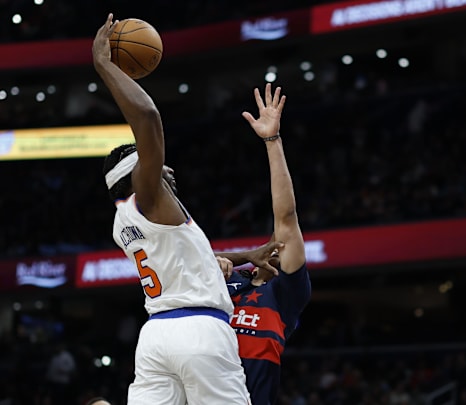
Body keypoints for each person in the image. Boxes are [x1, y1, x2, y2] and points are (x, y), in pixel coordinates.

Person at [93, 14, 277, 405]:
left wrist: (246, 256)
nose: (168, 169)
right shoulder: (150, 196)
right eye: (159, 166)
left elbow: (190, 260)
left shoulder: (124, 219)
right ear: (139, 173)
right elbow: (148, 118)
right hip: (201, 332)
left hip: (156, 337)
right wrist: (104, 65)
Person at [216, 84, 312, 404]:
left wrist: (272, 141)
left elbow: (286, 217)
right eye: (272, 244)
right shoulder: (226, 279)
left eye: (281, 245)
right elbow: (182, 260)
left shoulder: (285, 296)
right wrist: (238, 258)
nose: (277, 248)